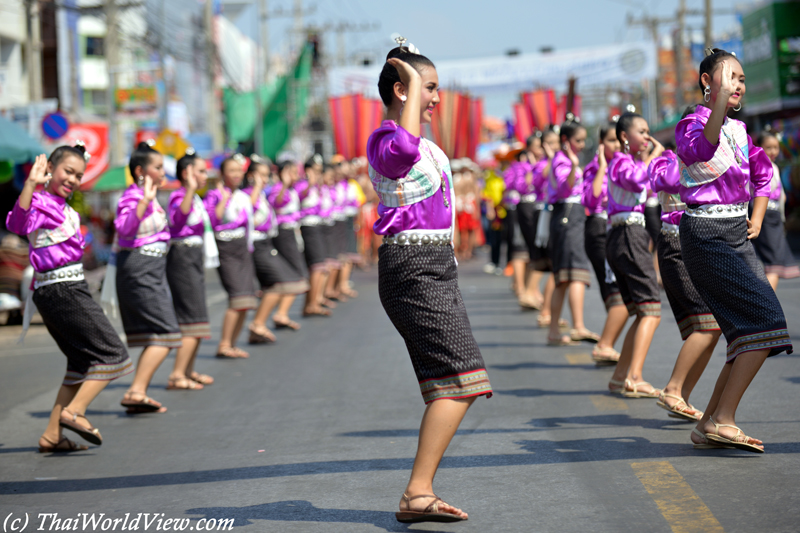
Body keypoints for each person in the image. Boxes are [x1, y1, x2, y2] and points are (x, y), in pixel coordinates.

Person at [368, 39, 492, 523]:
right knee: (461, 378)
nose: (436, 98)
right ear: (402, 90)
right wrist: (415, 88)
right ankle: (416, 492)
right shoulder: (386, 140)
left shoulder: (428, 146)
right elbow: (400, 150)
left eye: (435, 87)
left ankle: (418, 493)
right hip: (411, 268)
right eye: (428, 87)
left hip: (433, 267)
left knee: (455, 381)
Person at [677, 49, 792, 452]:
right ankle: (723, 419)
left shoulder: (740, 132)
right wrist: (718, 107)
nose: (738, 85)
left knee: (749, 330)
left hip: (734, 234)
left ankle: (709, 421)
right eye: (731, 78)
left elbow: (765, 177)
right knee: (764, 320)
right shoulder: (691, 124)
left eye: (741, 79)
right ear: (708, 82)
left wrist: (757, 218)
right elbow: (701, 152)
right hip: (705, 234)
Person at [8, 146, 133, 451]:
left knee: (79, 364)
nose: (73, 179)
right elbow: (16, 225)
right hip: (62, 290)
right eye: (68, 171)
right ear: (50, 168)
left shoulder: (66, 209)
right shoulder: (39, 201)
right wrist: (30, 184)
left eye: (79, 175)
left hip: (61, 290)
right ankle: (74, 412)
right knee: (114, 356)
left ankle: (52, 435)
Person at [648, 138, 721, 422]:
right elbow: (664, 181)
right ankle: (673, 389)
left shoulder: (718, 155)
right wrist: (674, 154)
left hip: (701, 244)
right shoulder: (665, 159)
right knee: (706, 324)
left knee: (711, 329)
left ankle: (681, 395)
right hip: (675, 245)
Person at [116, 141, 182, 413]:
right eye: (158, 167)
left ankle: (138, 391)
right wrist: (143, 200)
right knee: (167, 332)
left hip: (151, 268)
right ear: (141, 171)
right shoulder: (132, 197)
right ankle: (136, 390)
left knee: (160, 332)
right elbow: (124, 228)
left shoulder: (153, 197)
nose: (163, 170)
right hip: (140, 267)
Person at [605, 112, 664, 398]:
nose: (648, 136)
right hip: (628, 234)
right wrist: (653, 158)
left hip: (627, 234)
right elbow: (635, 181)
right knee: (651, 309)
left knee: (643, 311)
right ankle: (635, 376)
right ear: (625, 137)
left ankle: (620, 376)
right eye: (642, 131)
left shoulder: (633, 161)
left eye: (648, 131)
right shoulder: (621, 161)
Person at [165, 150, 216, 390]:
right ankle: (177, 374)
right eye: (201, 171)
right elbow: (178, 220)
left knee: (197, 316)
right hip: (182, 257)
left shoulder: (195, 198)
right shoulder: (179, 196)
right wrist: (190, 189)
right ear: (187, 173)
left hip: (193, 256)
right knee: (190, 316)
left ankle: (188, 369)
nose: (206, 175)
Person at [545, 116, 599, 346]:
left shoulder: (565, 158)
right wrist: (575, 165)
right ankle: (577, 326)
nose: (582, 144)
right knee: (575, 272)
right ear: (565, 140)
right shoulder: (562, 160)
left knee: (565, 278)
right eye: (578, 140)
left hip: (570, 215)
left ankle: (554, 330)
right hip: (567, 214)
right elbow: (566, 187)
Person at [245, 156, 310, 340]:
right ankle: (258, 323)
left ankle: (259, 325)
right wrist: (260, 187)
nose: (264, 179)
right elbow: (247, 211)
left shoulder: (264, 193)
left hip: (268, 240)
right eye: (261, 175)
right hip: (257, 243)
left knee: (281, 282)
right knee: (281, 281)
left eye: (267, 175)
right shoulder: (249, 193)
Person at [581, 121, 627, 363]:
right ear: (601, 144)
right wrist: (601, 167)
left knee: (617, 295)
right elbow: (592, 198)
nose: (617, 145)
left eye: (620, 140)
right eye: (611, 140)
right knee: (618, 294)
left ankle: (607, 345)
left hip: (618, 230)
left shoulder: (624, 165)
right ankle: (604, 345)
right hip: (599, 229)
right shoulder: (593, 168)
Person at [204, 154, 257, 358]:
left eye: (238, 170)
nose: (236, 174)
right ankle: (224, 344)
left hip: (242, 247)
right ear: (222, 174)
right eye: (231, 171)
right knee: (236, 297)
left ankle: (232, 343)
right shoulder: (214, 195)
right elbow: (211, 221)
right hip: (225, 247)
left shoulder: (243, 196)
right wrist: (224, 199)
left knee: (246, 299)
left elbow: (249, 224)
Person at [751, 130, 799, 289]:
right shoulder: (758, 165)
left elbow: (782, 196)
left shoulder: (774, 167)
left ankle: (764, 305)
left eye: (776, 147)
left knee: (771, 264)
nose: (773, 151)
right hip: (766, 217)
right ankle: (766, 307)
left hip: (773, 218)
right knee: (774, 264)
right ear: (759, 147)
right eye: (768, 147)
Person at [268, 160, 306, 330]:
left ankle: (283, 312)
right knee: (295, 272)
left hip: (292, 230)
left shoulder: (293, 189)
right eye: (291, 172)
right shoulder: (278, 188)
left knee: (295, 271)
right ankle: (280, 313)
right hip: (283, 231)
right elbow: (277, 202)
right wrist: (283, 184)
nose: (295, 176)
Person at [296, 155, 331, 316]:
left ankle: (314, 301)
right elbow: (300, 197)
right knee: (316, 266)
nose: (318, 174)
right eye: (315, 171)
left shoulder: (318, 187)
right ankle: (311, 304)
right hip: (308, 226)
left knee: (321, 266)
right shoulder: (303, 185)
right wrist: (310, 183)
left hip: (319, 225)